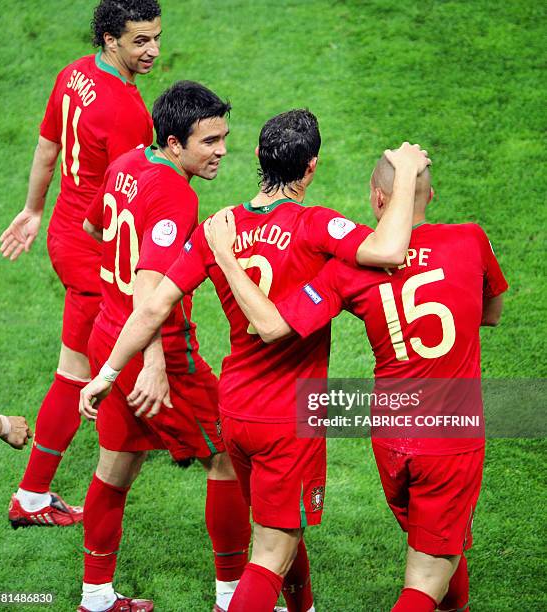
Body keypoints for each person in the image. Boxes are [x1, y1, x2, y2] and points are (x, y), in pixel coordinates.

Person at [80, 108, 430, 612]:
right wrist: (405, 176)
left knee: (281, 530)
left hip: (236, 411)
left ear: (260, 160)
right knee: (269, 553)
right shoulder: (316, 226)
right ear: (310, 168)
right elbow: (391, 248)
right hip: (288, 418)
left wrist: (107, 373)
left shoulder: (215, 227)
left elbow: (153, 304)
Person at [205, 153, 508, 612]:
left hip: (390, 438)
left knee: (441, 543)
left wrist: (226, 255)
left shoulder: (349, 269)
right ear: (432, 196)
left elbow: (272, 324)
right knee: (427, 573)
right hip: (449, 436)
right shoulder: (471, 240)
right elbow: (492, 314)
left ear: (377, 199)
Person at [76, 80, 251, 612]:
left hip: (108, 334)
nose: (221, 150)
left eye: (223, 137)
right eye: (209, 141)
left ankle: (96, 599)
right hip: (163, 352)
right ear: (174, 144)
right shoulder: (177, 193)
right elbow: (151, 292)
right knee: (228, 458)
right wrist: (154, 363)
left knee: (115, 467)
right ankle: (231, 597)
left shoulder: (129, 161)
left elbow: (92, 225)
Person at [0, 0, 162, 528]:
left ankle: (34, 492)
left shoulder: (73, 74)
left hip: (65, 233)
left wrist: (32, 210)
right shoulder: (126, 110)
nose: (153, 50)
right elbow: (129, 194)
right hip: (96, 249)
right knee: (87, 368)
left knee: (80, 366)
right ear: (111, 39)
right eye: (140, 40)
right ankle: (34, 493)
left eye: (156, 37)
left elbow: (48, 147)